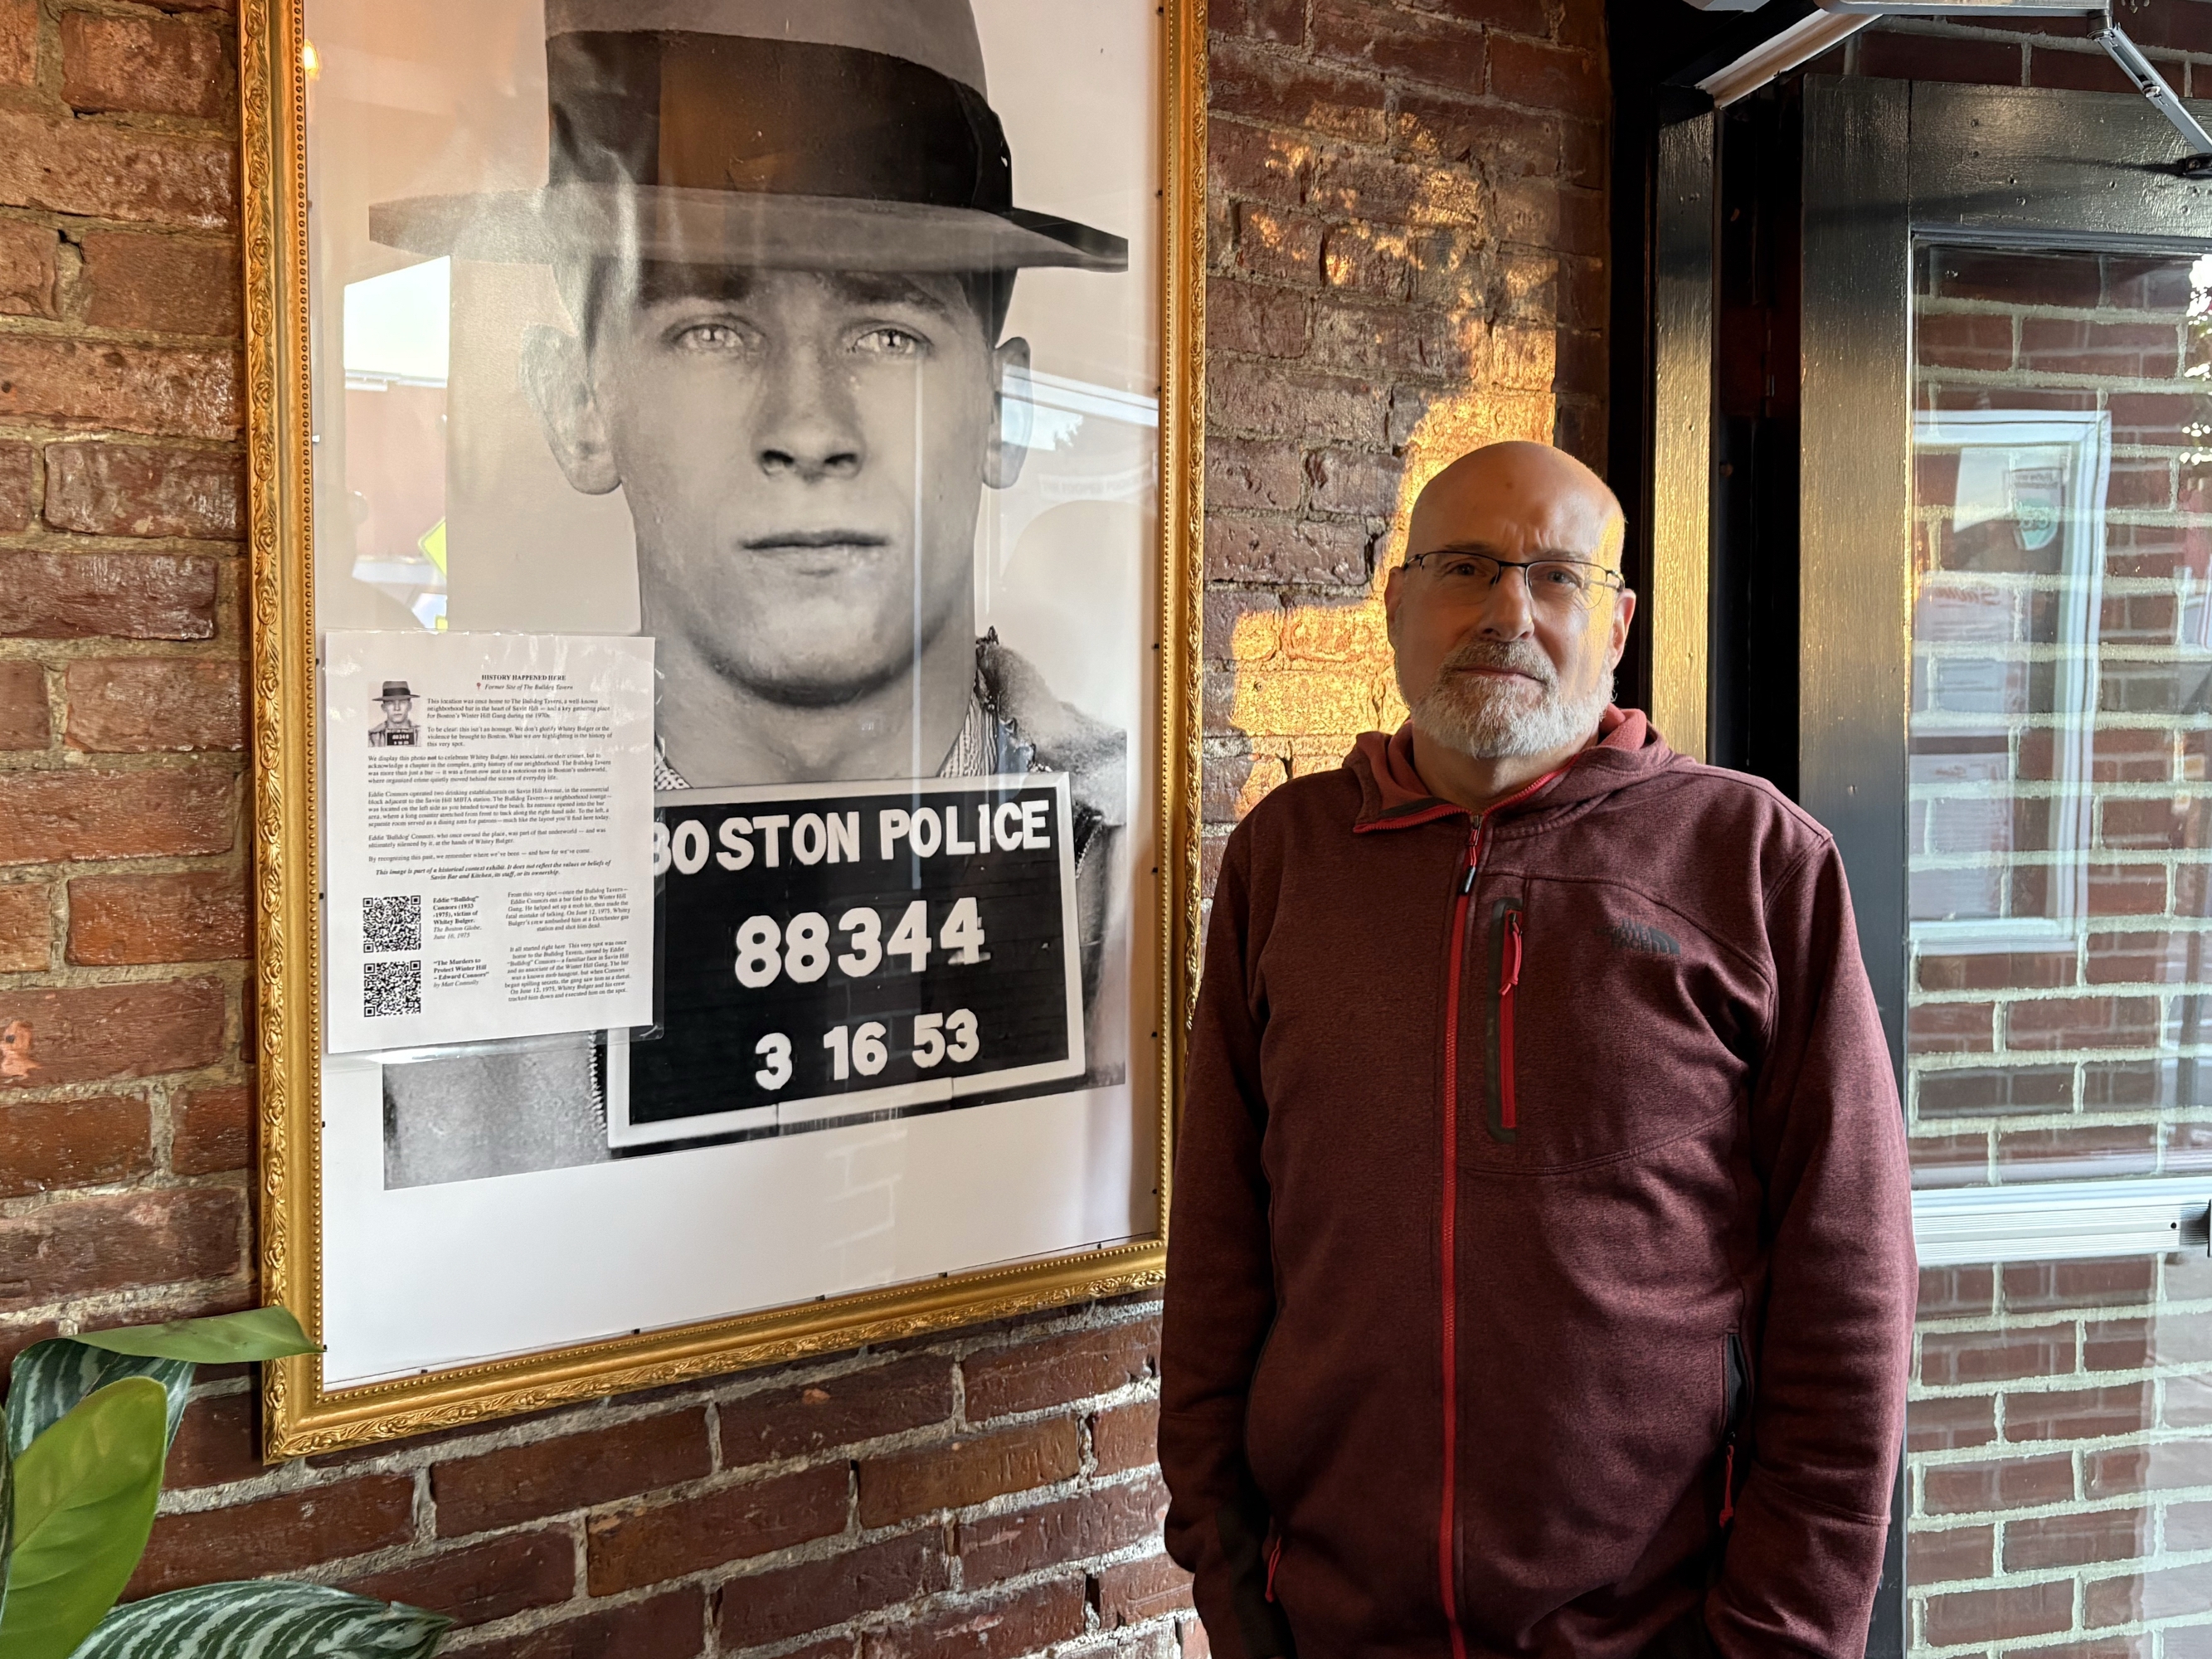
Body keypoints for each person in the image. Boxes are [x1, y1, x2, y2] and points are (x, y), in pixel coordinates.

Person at [1159, 441, 1915, 1659]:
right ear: (1396, 605)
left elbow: (1848, 1293)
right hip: (1329, 1630)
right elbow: (1216, 1258)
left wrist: (1775, 1637)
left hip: (1661, 1634)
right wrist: (1232, 1587)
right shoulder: (1285, 862)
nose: (1509, 609)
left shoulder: (1751, 863)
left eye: (1554, 576)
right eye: (1465, 567)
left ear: (1612, 622)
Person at [364, 0, 1130, 1185]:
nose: (807, 430)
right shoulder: (445, 906)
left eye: (887, 330)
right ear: (578, 405)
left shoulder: (1134, 880)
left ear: (1005, 414)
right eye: (712, 328)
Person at [367, 682, 418, 747]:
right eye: (390, 703)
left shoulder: (421, 734)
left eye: (402, 702)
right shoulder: (372, 738)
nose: (397, 708)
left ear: (410, 706)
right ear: (383, 707)